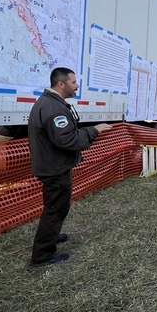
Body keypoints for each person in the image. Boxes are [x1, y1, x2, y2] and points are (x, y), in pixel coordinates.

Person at [28, 67, 112, 267]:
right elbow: (68, 140)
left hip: (53, 166)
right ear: (61, 84)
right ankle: (42, 256)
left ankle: (52, 236)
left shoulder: (51, 103)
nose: (77, 86)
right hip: (54, 169)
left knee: (57, 207)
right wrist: (94, 130)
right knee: (55, 209)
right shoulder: (53, 107)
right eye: (74, 82)